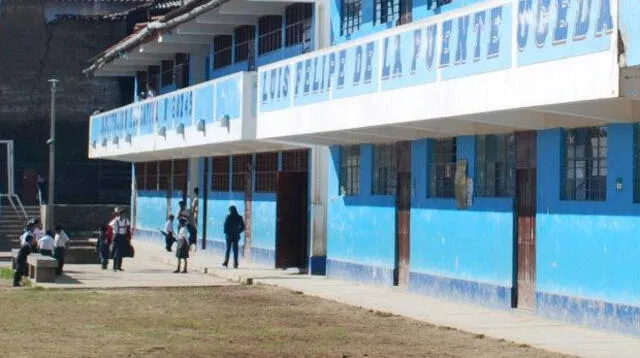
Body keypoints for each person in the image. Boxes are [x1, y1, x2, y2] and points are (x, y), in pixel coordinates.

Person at [109, 207, 130, 272]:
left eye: (125, 214)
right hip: (116, 236)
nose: (124, 215)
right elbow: (110, 226)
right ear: (120, 214)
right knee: (116, 252)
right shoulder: (115, 220)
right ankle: (114, 267)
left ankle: (119, 266)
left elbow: (128, 226)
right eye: (123, 214)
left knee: (121, 252)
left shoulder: (126, 220)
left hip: (123, 237)